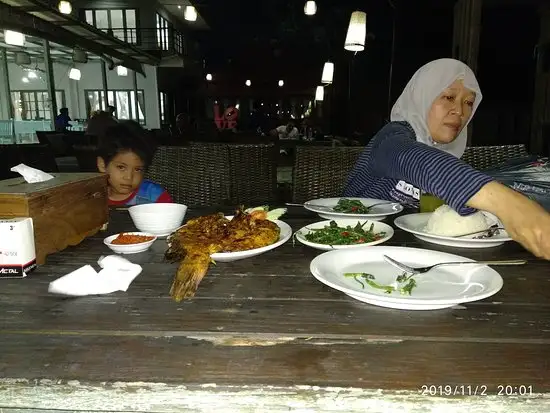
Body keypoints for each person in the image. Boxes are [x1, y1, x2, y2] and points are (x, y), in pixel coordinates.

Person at [343, 58, 550, 260]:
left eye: (468, 103)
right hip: (347, 243)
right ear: (422, 95)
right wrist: (509, 205)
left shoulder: (443, 152)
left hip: (402, 253)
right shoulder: (392, 137)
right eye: (449, 97)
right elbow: (412, 158)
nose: (460, 111)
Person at [96, 121, 172, 206]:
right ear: (102, 165)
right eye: (121, 167)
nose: (129, 177)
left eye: (137, 169)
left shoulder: (156, 197)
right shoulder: (91, 198)